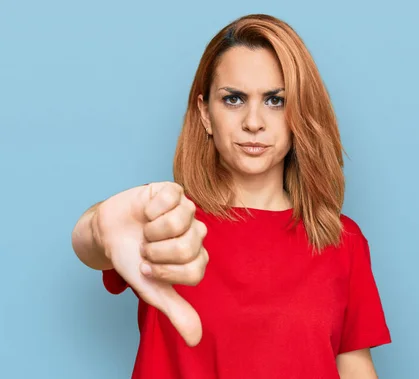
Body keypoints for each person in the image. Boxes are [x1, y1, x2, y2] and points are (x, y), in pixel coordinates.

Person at [71, 13, 391, 379]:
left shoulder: (342, 240)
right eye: (234, 99)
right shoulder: (168, 224)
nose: (253, 122)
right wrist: (97, 226)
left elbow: (353, 367)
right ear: (205, 113)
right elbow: (95, 241)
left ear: (299, 113)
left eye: (275, 100)